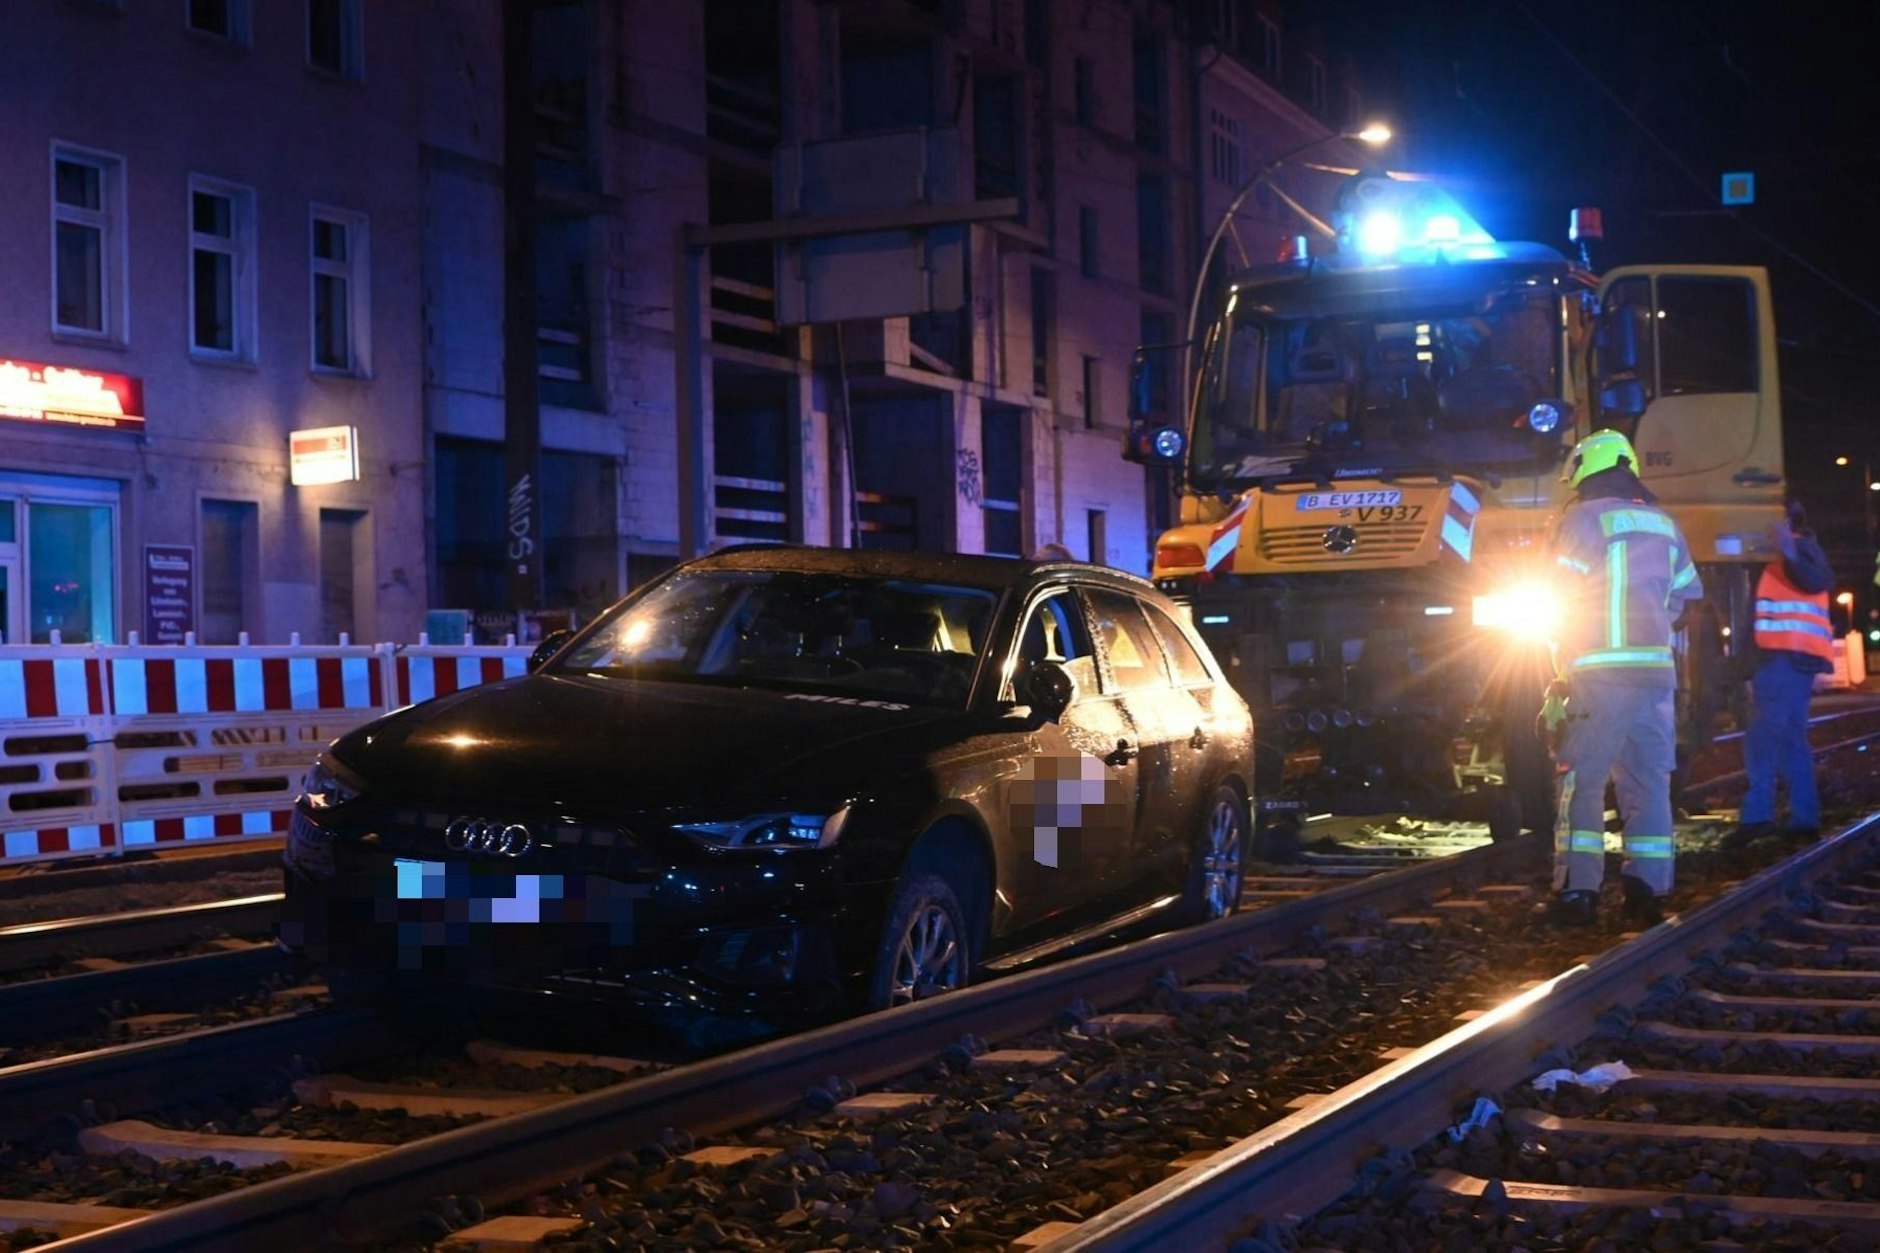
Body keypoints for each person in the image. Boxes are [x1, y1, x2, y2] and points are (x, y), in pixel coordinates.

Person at [1543, 429, 1702, 928]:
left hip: (1598, 672)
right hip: (1655, 676)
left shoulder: (1583, 518)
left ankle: (1578, 893)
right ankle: (1646, 892)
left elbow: (1557, 590)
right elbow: (1685, 598)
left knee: (1581, 781)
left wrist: (1560, 660)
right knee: (1649, 783)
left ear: (1585, 471)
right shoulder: (1664, 523)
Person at [1729, 499, 1835, 844]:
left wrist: (1788, 547)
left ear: (1788, 522)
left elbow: (1819, 579)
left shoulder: (1800, 550)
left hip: (1785, 658)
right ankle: (1804, 817)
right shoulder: (1782, 557)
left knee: (1763, 737)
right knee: (1790, 739)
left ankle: (1757, 816)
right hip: (1787, 659)